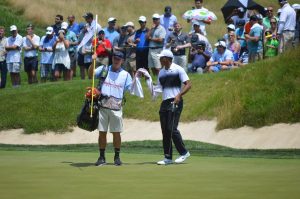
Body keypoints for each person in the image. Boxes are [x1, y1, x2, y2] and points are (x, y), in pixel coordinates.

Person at [88, 51, 132, 166]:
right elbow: (91, 74)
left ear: (122, 61)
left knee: (116, 133)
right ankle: (102, 157)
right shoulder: (104, 69)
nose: (116, 60)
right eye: (115, 58)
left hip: (116, 108)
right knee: (102, 132)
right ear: (112, 58)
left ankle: (117, 157)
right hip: (102, 106)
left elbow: (131, 88)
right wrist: (93, 62)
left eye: (119, 59)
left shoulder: (126, 75)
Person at [155, 49, 191, 165]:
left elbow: (188, 84)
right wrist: (151, 86)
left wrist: (179, 95)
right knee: (165, 131)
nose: (160, 59)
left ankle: (184, 152)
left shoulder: (178, 69)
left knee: (171, 128)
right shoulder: (161, 72)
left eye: (162, 58)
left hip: (175, 101)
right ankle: (168, 157)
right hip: (165, 102)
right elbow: (160, 88)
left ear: (168, 59)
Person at [77, 12, 101, 80]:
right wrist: (84, 31)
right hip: (86, 48)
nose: (85, 19)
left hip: (94, 47)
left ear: (90, 18)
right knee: (87, 65)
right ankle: (89, 79)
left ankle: (94, 79)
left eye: (86, 18)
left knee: (93, 65)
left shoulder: (97, 26)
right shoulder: (86, 26)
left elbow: (101, 35)